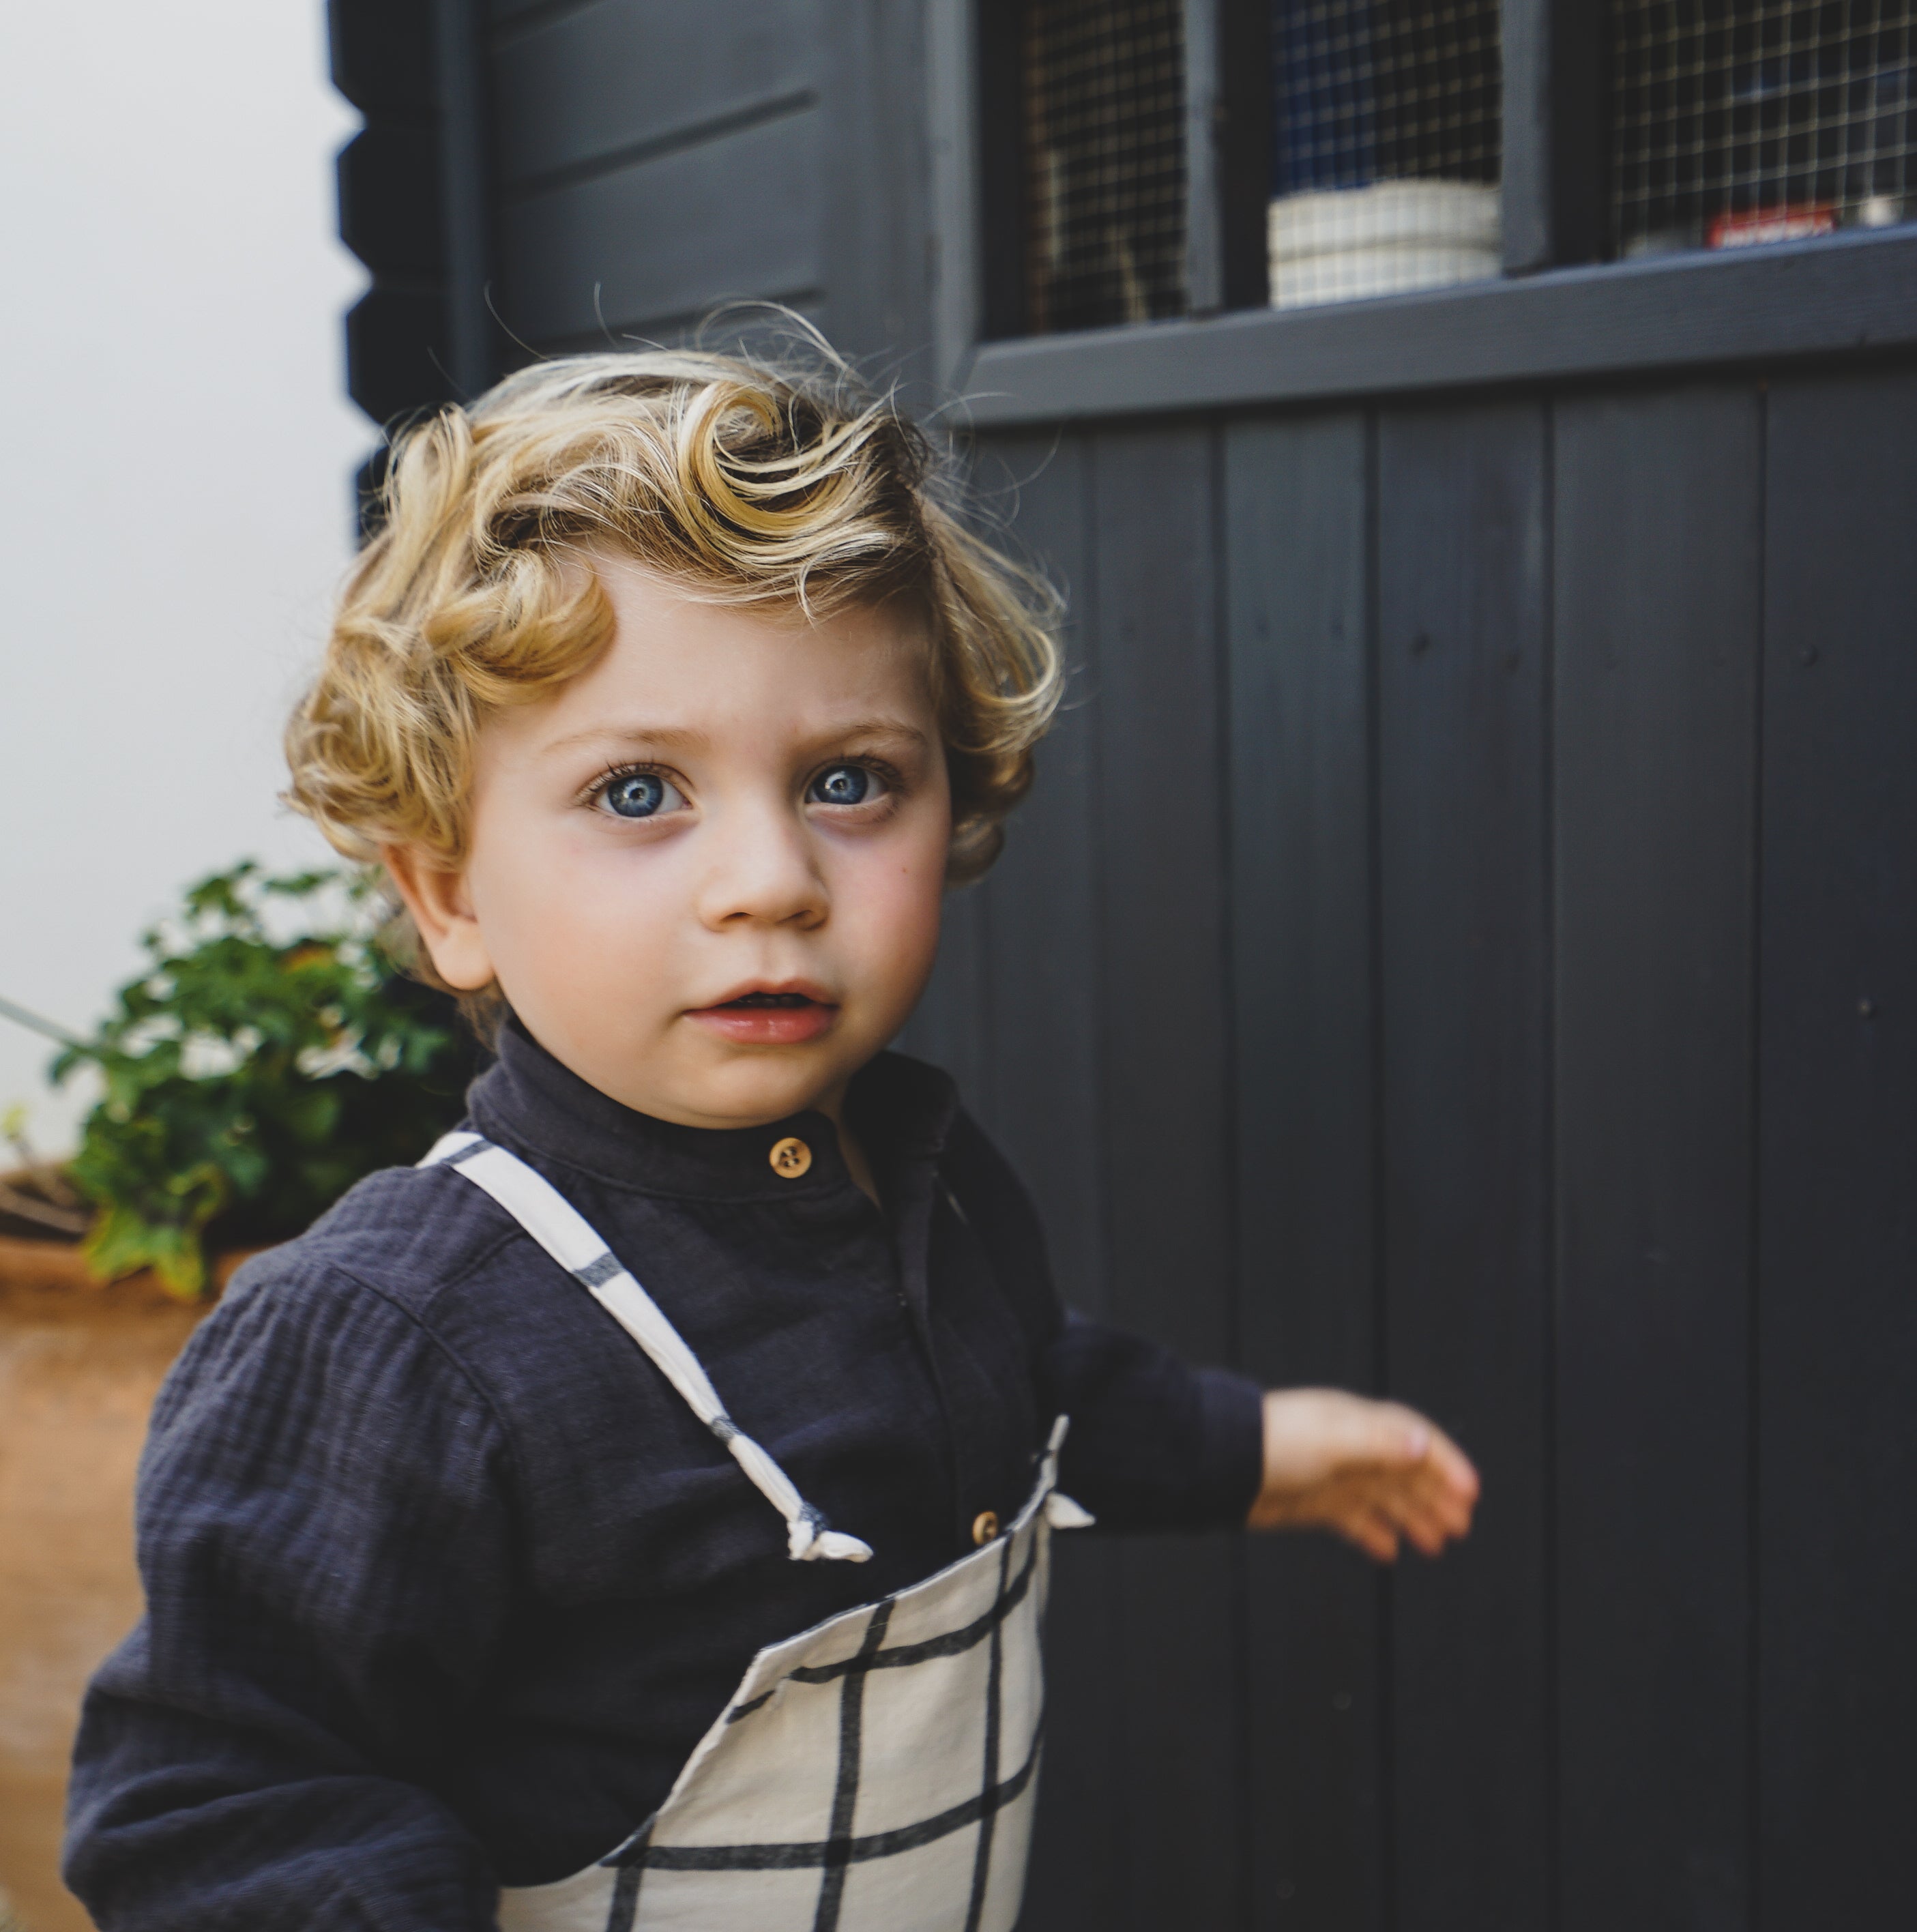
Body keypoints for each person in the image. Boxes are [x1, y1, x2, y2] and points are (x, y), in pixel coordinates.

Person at [64, 334, 1478, 1931]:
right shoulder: (387, 1340)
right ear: (449, 889)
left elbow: (1014, 1379)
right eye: (638, 795)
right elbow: (228, 1798)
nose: (770, 880)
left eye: (850, 780)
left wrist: (1252, 1451)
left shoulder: (923, 1180)